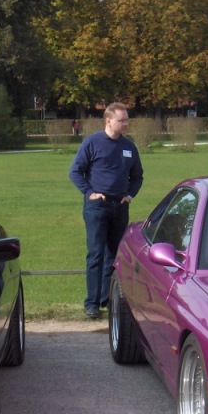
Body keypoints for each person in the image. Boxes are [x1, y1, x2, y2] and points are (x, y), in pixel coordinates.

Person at [68, 102, 144, 318]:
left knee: (115, 255)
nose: (126, 124)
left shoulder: (129, 147)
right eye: (122, 120)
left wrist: (130, 194)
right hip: (97, 207)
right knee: (96, 254)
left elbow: (138, 176)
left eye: (127, 120)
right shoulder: (92, 142)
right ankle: (92, 303)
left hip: (120, 207)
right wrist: (89, 192)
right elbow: (75, 172)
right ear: (108, 121)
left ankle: (108, 300)